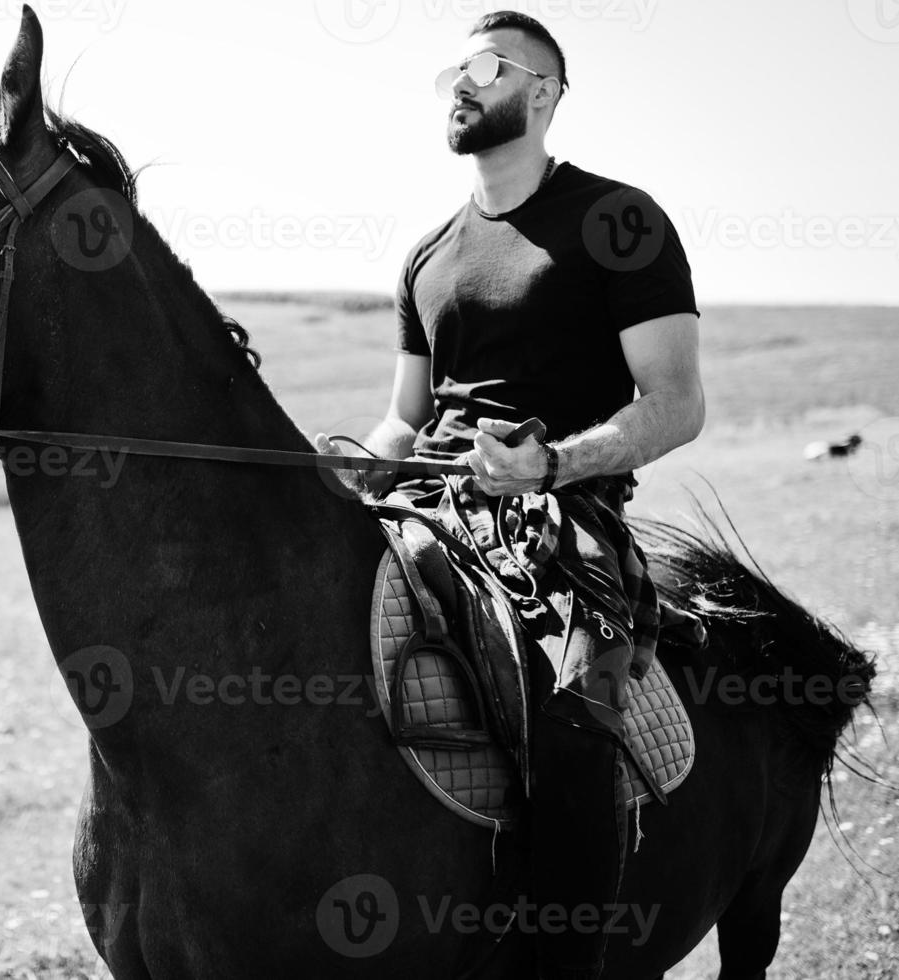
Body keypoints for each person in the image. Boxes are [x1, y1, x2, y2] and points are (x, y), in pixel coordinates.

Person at [317, 11, 703, 979]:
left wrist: (552, 464)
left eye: (485, 67)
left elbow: (676, 401)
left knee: (571, 706)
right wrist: (360, 465)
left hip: (557, 518)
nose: (459, 82)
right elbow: (405, 419)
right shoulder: (428, 252)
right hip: (425, 501)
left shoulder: (617, 219)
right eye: (452, 67)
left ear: (543, 92)